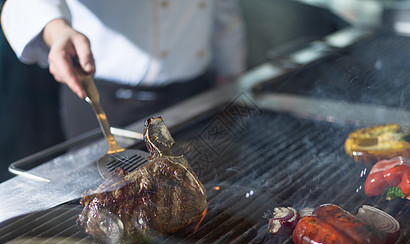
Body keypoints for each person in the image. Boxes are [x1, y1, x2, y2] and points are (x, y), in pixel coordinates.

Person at [1, 0, 245, 139]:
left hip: (195, 98)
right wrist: (57, 31)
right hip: (104, 103)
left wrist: (230, 76)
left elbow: (224, 10)